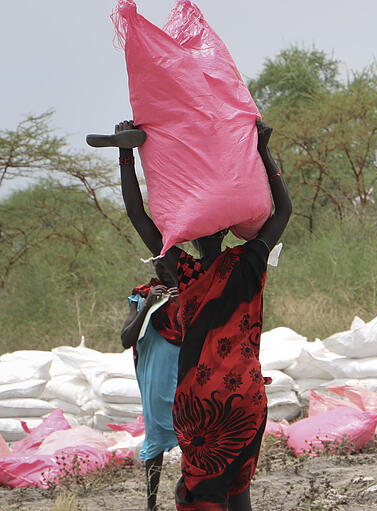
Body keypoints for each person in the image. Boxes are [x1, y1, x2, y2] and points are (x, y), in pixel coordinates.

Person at [108, 118, 291, 511]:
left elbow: (139, 217)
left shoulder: (183, 273)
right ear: (225, 229)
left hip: (199, 401)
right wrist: (261, 148)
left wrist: (126, 153)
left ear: (189, 233)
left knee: (205, 494)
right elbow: (284, 210)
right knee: (238, 491)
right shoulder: (249, 263)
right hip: (246, 394)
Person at [121, 259, 182, 511]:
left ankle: (192, 495)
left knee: (191, 432)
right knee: (156, 432)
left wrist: (186, 301)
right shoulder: (142, 295)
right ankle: (151, 503)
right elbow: (126, 339)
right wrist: (148, 305)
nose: (164, 269)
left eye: (168, 264)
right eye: (159, 265)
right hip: (155, 373)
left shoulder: (192, 292)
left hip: (186, 369)